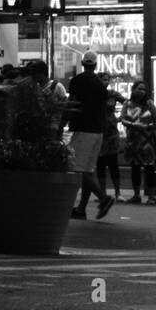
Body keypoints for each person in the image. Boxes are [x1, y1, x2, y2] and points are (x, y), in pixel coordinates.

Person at [68, 52, 117, 220]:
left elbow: (72, 103)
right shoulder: (100, 85)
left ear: (83, 63)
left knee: (78, 168)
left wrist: (62, 123)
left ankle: (103, 198)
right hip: (98, 130)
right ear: (95, 65)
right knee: (87, 170)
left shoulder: (77, 81)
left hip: (83, 128)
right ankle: (81, 209)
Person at [122, 80, 156, 204]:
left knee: (149, 168)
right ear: (133, 90)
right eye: (139, 89)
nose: (142, 91)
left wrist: (148, 127)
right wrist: (134, 125)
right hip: (133, 141)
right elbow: (122, 120)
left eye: (144, 89)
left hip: (147, 141)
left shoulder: (149, 104)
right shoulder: (127, 104)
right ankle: (136, 195)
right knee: (135, 168)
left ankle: (152, 196)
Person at [96, 76, 125, 202]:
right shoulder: (94, 94)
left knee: (113, 163)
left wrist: (121, 117)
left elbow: (128, 103)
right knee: (100, 164)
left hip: (112, 133)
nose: (105, 82)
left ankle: (118, 192)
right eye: (103, 79)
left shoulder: (113, 94)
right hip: (98, 131)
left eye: (107, 79)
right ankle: (102, 193)